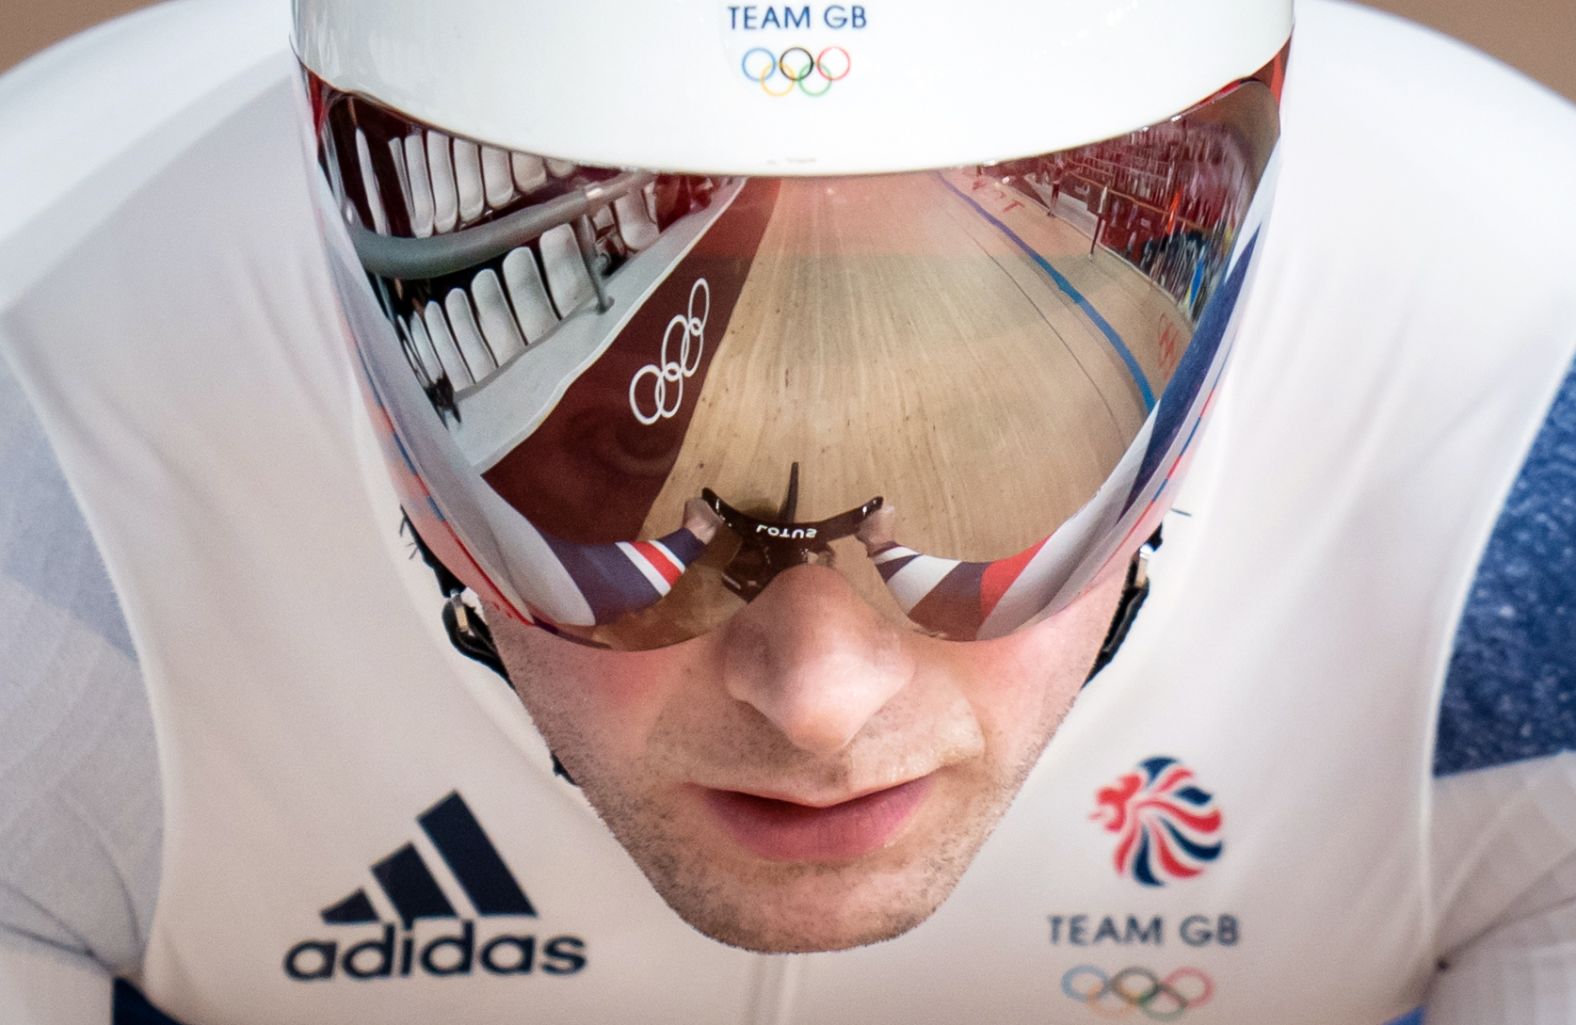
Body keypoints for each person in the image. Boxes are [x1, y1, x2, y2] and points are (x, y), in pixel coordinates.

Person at [0, 0, 1572, 1023]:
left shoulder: (1531, 410)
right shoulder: (33, 441)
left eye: (984, 427)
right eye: (652, 480)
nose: (819, 701)